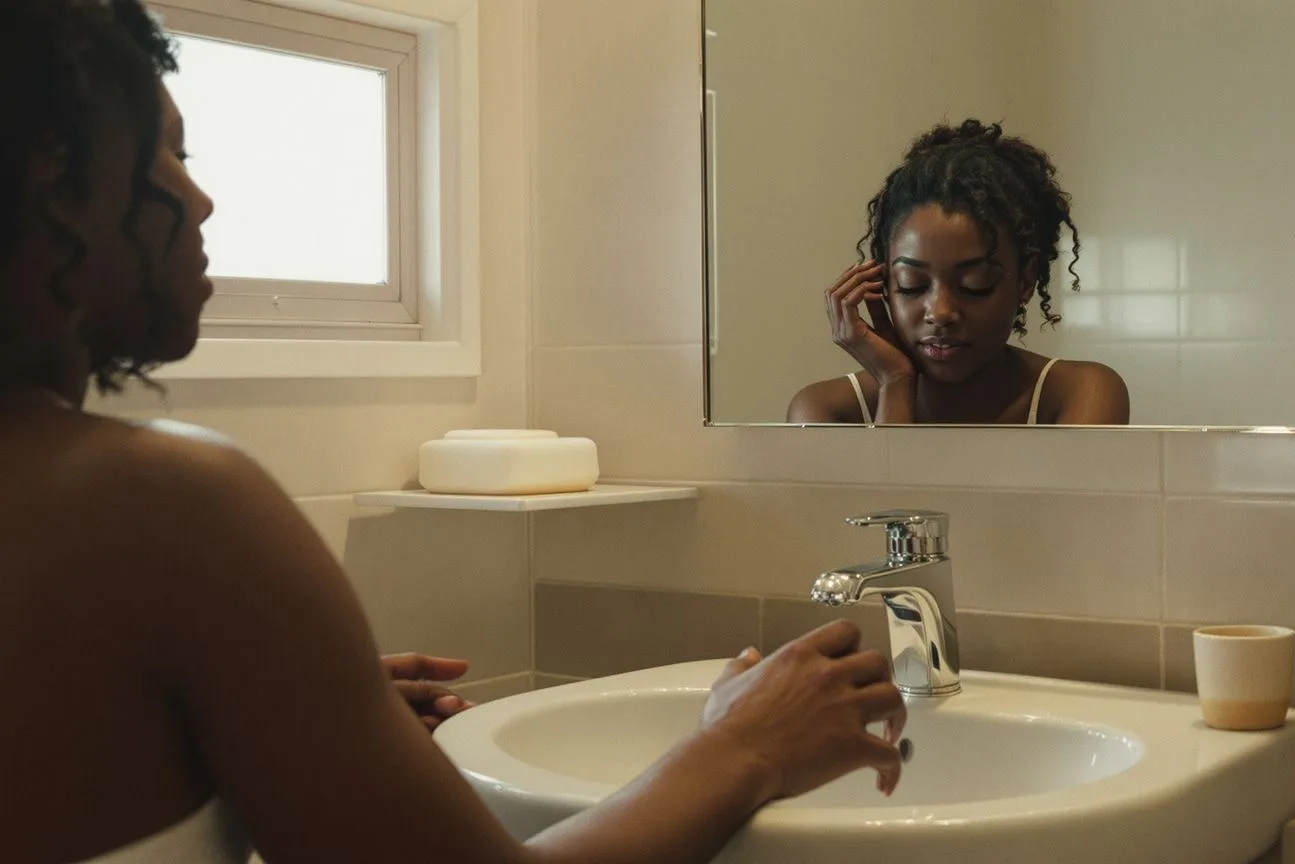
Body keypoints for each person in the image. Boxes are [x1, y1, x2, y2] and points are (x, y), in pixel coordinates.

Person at [0, 2, 907, 862]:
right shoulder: (162, 506)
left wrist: (289, 710)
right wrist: (746, 743)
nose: (200, 203)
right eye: (169, 154)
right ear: (54, 182)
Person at [787, 120, 1131, 426]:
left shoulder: (1080, 392)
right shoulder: (824, 411)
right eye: (912, 286)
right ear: (883, 285)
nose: (939, 313)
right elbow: (889, 502)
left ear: (1025, 281)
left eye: (973, 285)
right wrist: (894, 383)